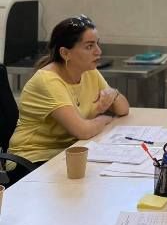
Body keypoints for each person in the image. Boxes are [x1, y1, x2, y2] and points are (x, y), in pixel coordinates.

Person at [9, 15, 129, 173]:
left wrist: (113, 93)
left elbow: (123, 109)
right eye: (89, 46)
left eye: (97, 44)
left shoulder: (88, 71)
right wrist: (105, 119)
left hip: (67, 152)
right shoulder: (48, 80)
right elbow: (83, 131)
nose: (98, 52)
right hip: (32, 160)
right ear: (65, 53)